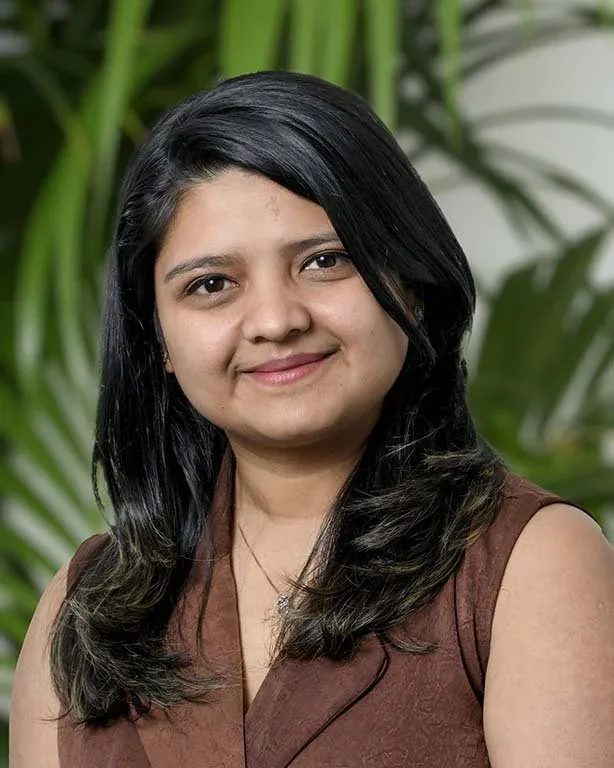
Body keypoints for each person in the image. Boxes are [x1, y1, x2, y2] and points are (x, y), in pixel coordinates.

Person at [10, 71, 614, 768]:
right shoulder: (82, 609)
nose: (275, 320)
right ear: (160, 342)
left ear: (410, 284)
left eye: (325, 261)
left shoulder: (531, 565)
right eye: (211, 284)